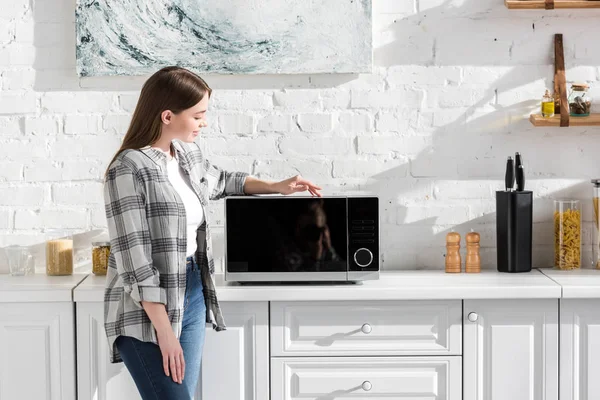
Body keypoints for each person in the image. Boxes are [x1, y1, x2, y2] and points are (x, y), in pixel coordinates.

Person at [102, 66, 322, 400]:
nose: (204, 123)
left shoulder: (186, 154)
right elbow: (135, 264)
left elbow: (222, 181)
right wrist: (164, 332)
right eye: (198, 115)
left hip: (190, 290)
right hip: (147, 307)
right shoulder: (128, 168)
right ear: (167, 116)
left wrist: (277, 186)